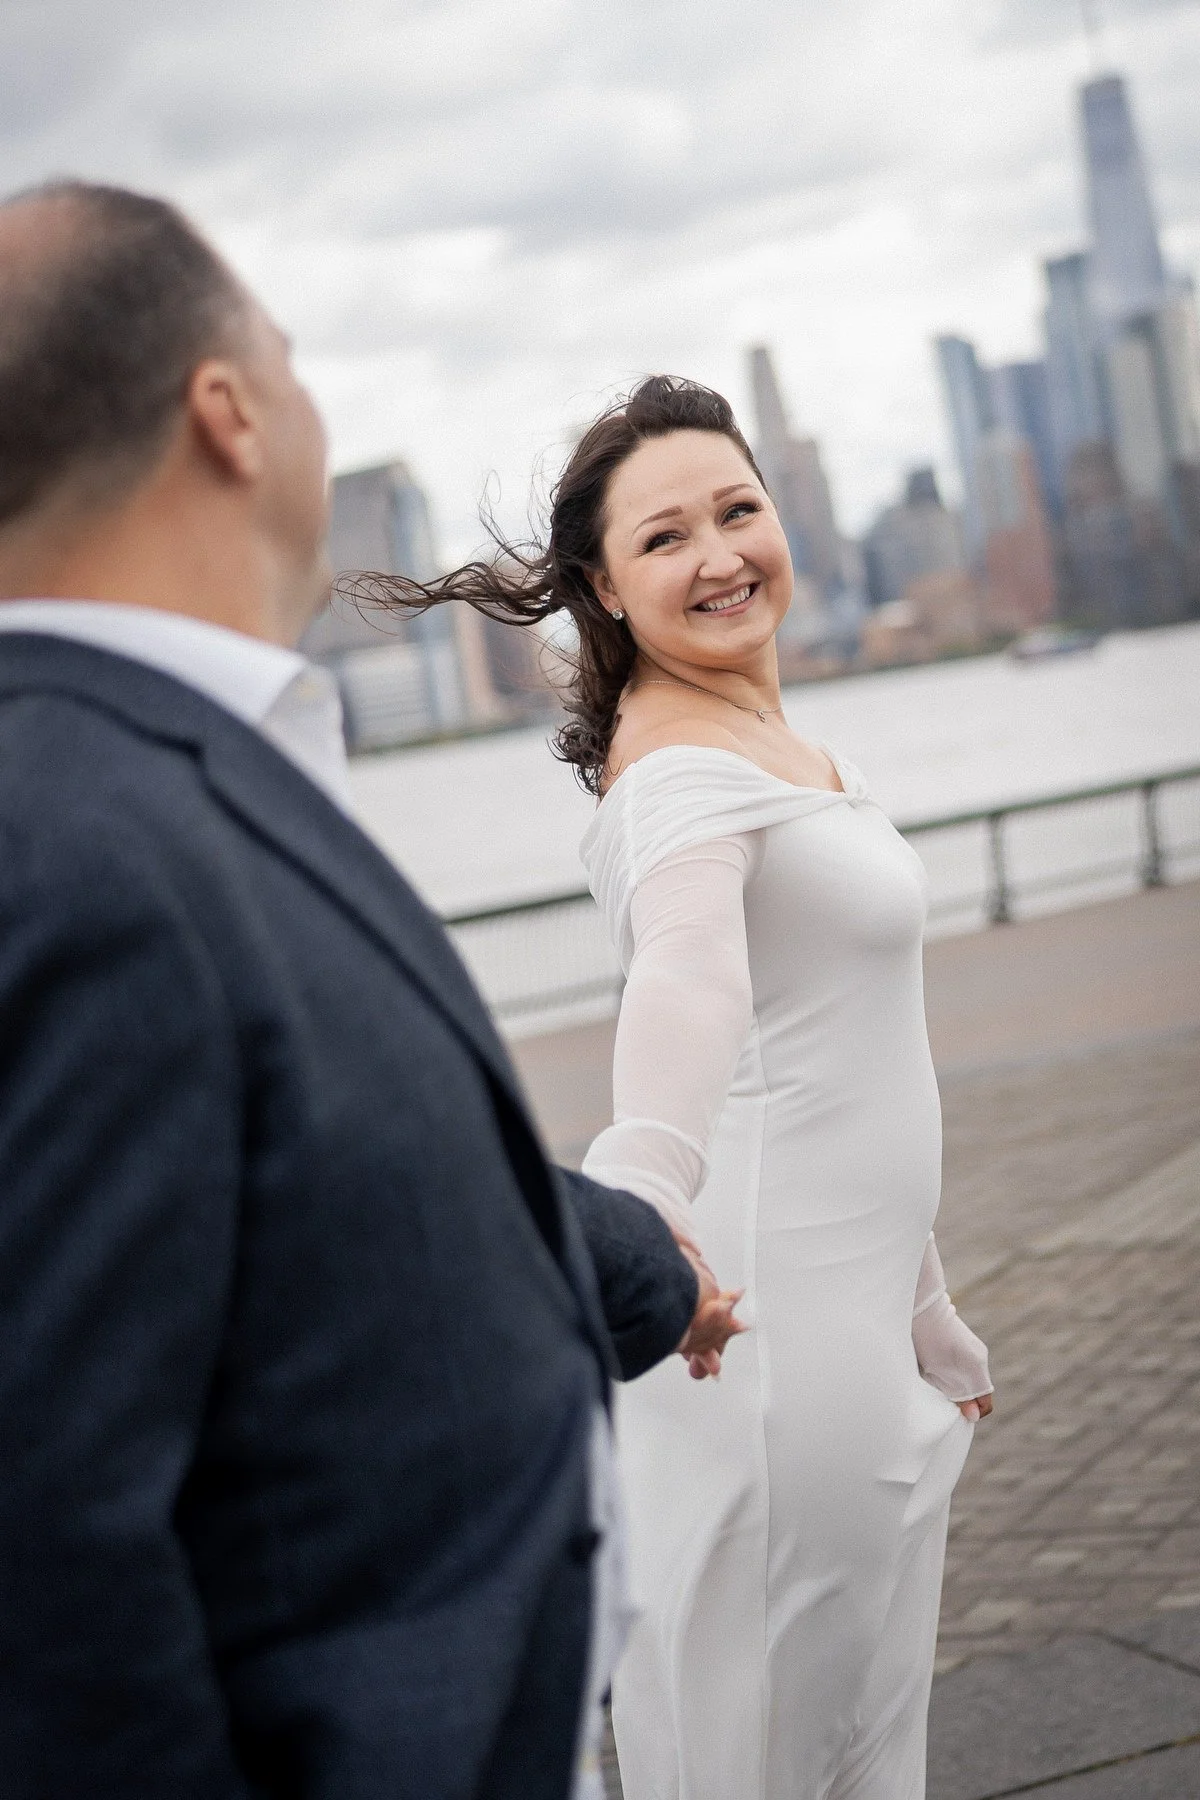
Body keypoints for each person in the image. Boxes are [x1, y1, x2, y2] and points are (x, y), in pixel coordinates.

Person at [0, 183, 741, 1800]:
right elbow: (45, 1542)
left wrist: (631, 1258)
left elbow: (298, 1168)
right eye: (293, 356)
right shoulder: (70, 843)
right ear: (229, 413)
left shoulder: (140, 768)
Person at [371, 375, 994, 1799]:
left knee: (861, 1744)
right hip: (763, 1341)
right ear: (604, 584)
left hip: (853, 1326)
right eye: (666, 538)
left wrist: (925, 1303)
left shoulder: (784, 748)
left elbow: (831, 1052)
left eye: (738, 509)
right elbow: (692, 984)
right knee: (767, 1748)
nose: (718, 555)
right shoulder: (674, 776)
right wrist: (639, 1222)